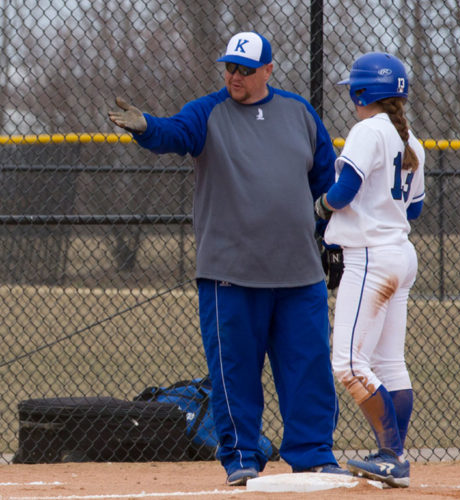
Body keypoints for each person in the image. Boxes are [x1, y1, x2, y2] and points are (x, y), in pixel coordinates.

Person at [108, 31, 350, 485]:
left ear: (268, 70)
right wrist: (146, 128)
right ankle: (241, 458)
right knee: (234, 373)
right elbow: (174, 134)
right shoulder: (208, 112)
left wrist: (331, 239)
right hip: (231, 275)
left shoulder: (299, 113)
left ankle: (313, 452)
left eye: (244, 68)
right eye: (229, 67)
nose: (234, 76)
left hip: (299, 274)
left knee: (308, 367)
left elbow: (324, 183)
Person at [315, 52, 425, 488]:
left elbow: (342, 192)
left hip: (370, 257)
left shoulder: (367, 130)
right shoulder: (411, 140)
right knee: (388, 362)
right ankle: (392, 455)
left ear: (362, 93)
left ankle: (391, 454)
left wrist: (318, 209)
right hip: (400, 253)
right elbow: (413, 208)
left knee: (348, 363)